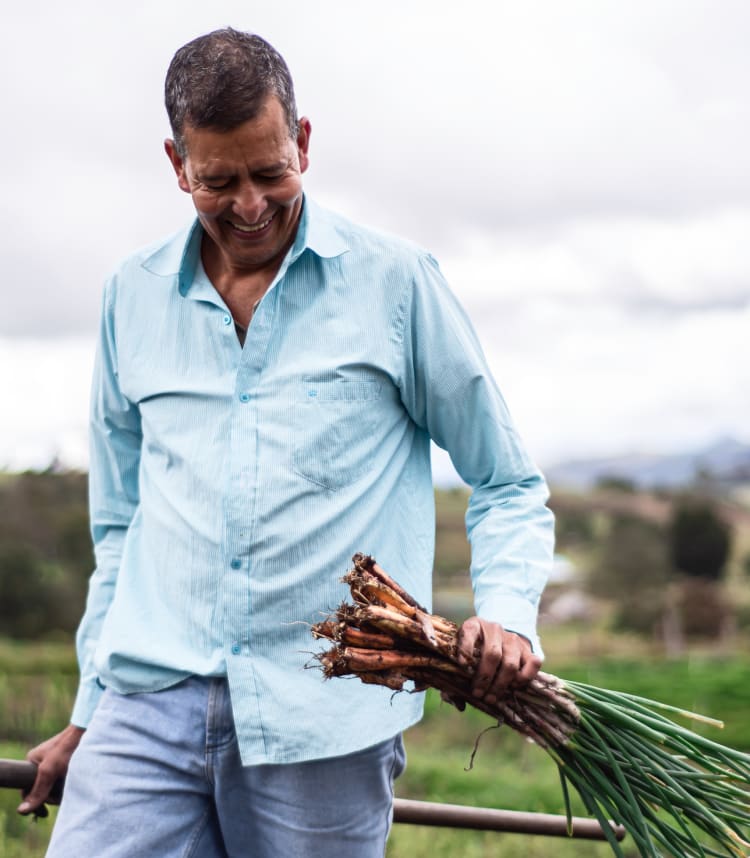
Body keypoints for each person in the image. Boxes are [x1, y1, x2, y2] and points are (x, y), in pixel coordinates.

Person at [19, 28, 554, 857]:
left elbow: (506, 479)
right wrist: (90, 712)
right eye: (217, 181)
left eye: (271, 172)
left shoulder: (397, 283)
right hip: (146, 704)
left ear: (302, 141)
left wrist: (508, 616)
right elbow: (119, 529)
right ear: (176, 164)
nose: (249, 205)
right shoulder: (131, 295)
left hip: (325, 718)